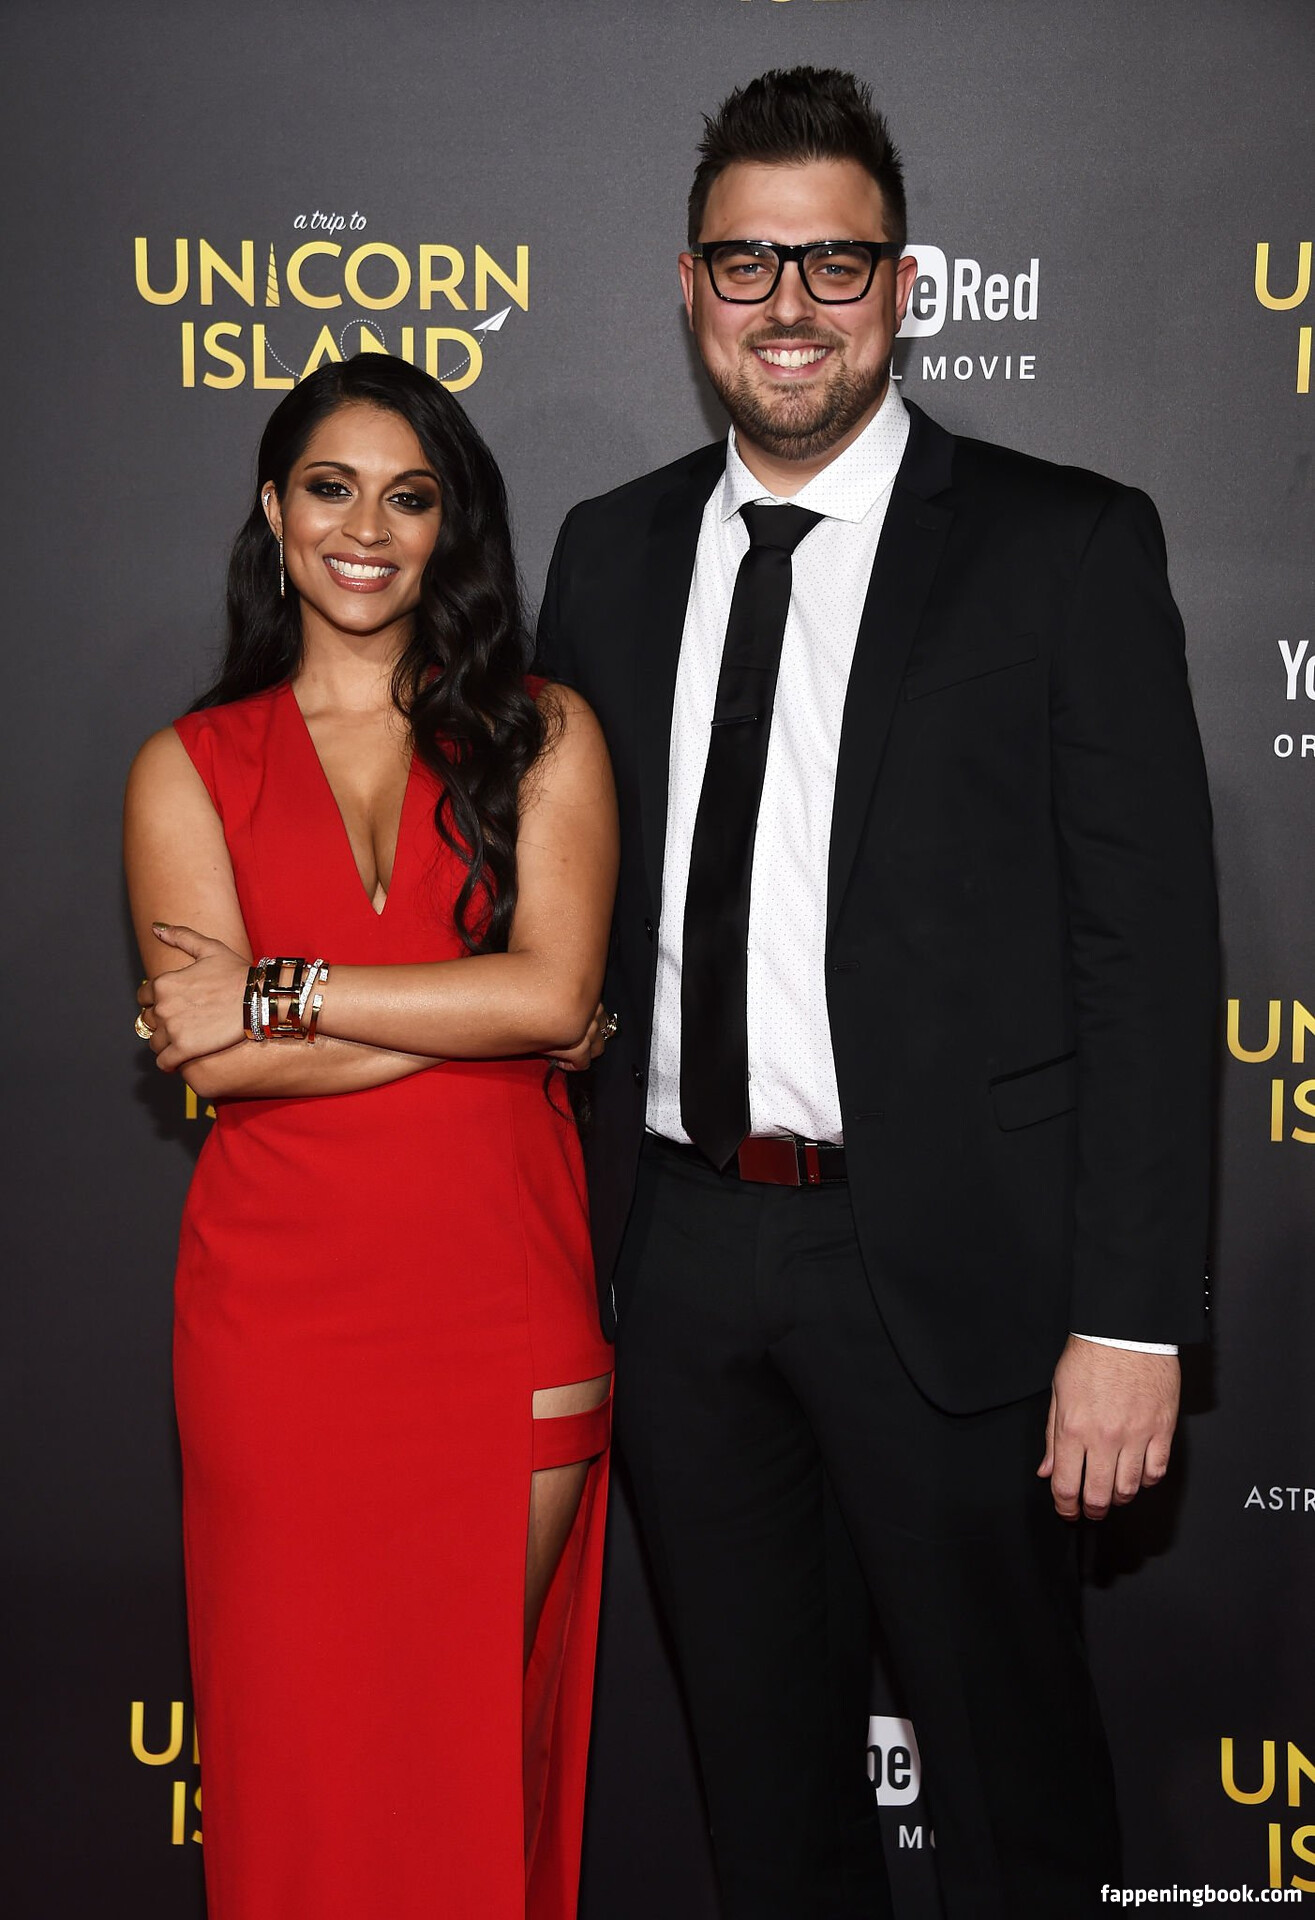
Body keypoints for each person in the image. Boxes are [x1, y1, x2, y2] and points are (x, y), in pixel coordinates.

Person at [535, 66, 1217, 1920]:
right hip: (677, 1262)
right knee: (765, 1816)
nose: (788, 305)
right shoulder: (607, 552)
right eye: (746, 262)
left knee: (1016, 1808)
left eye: (832, 263)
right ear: (690, 287)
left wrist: (1135, 1320)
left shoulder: (1064, 543)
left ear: (903, 287)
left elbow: (1150, 959)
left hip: (955, 1268)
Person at [123, 353, 618, 1920]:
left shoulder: (545, 733)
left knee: (462, 1761)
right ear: (274, 510)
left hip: (505, 1307)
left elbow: (554, 992)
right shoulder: (188, 766)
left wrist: (292, 991)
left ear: (448, 527)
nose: (366, 529)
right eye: (330, 489)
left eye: (410, 497)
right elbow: (219, 1059)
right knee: (310, 1772)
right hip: (279, 1335)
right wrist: (483, 1007)